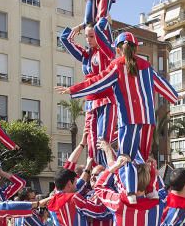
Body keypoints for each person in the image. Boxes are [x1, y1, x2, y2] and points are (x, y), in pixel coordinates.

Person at [62, 32, 178, 171]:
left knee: (126, 158)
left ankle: (130, 192)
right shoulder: (146, 66)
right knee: (141, 158)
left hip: (128, 119)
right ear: (136, 49)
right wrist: (175, 96)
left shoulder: (117, 65)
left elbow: (98, 82)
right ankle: (146, 190)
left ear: (117, 49)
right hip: (147, 120)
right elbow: (161, 83)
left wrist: (74, 90)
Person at [60, 18, 117, 167]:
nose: (88, 39)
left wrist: (99, 23)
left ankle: (109, 174)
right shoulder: (86, 56)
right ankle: (94, 177)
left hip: (106, 100)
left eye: (92, 36)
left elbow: (104, 23)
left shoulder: (107, 52)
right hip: (90, 103)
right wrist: (81, 26)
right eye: (86, 36)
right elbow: (65, 38)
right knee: (91, 145)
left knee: (103, 141)